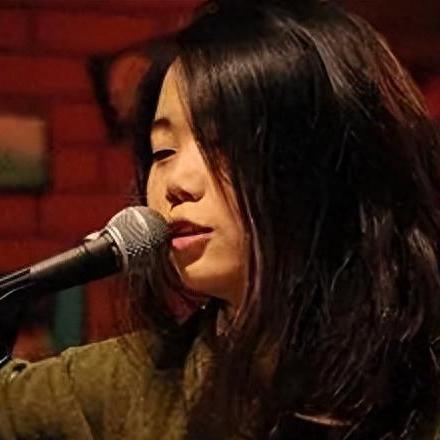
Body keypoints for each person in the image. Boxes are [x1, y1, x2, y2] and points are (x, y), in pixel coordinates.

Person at [1, 0, 440, 438]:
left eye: (224, 142)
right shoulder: (126, 384)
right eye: (162, 152)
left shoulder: (423, 378)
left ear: (332, 160)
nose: (176, 183)